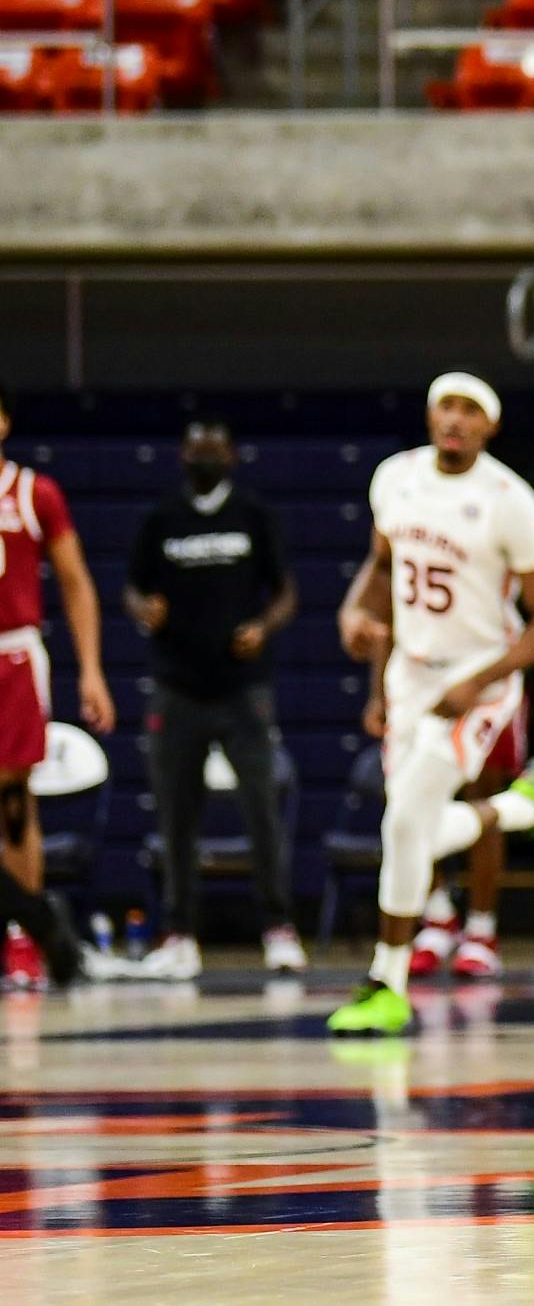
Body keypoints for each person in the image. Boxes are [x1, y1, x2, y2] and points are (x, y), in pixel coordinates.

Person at [328, 372, 534, 1033]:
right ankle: (522, 805)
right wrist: (358, 619)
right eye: (447, 406)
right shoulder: (395, 477)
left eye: (471, 410)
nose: (456, 419)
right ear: (431, 414)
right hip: (411, 674)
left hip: (478, 678)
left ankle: (387, 979)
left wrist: (480, 678)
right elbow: (383, 570)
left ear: (490, 426)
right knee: (405, 826)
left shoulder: (508, 500)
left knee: (406, 821)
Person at [124, 420, 304, 979]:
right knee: (178, 816)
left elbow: (286, 591)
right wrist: (141, 609)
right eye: (197, 449)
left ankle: (277, 928)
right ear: (183, 455)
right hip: (177, 686)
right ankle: (179, 933)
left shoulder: (252, 516)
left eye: (214, 449)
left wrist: (264, 627)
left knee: (261, 811)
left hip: (242, 688)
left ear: (231, 455)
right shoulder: (162, 519)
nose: (205, 457)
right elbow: (132, 586)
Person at [0, 392, 115, 990]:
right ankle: (38, 921)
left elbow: (76, 584)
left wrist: (90, 670)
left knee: (14, 804)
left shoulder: (33, 493)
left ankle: (26, 935)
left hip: (12, 655)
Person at [403, 702, 530, 980]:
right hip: (424, 682)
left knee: (483, 796)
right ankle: (438, 917)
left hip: (488, 687)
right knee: (412, 797)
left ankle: (481, 931)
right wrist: (378, 693)